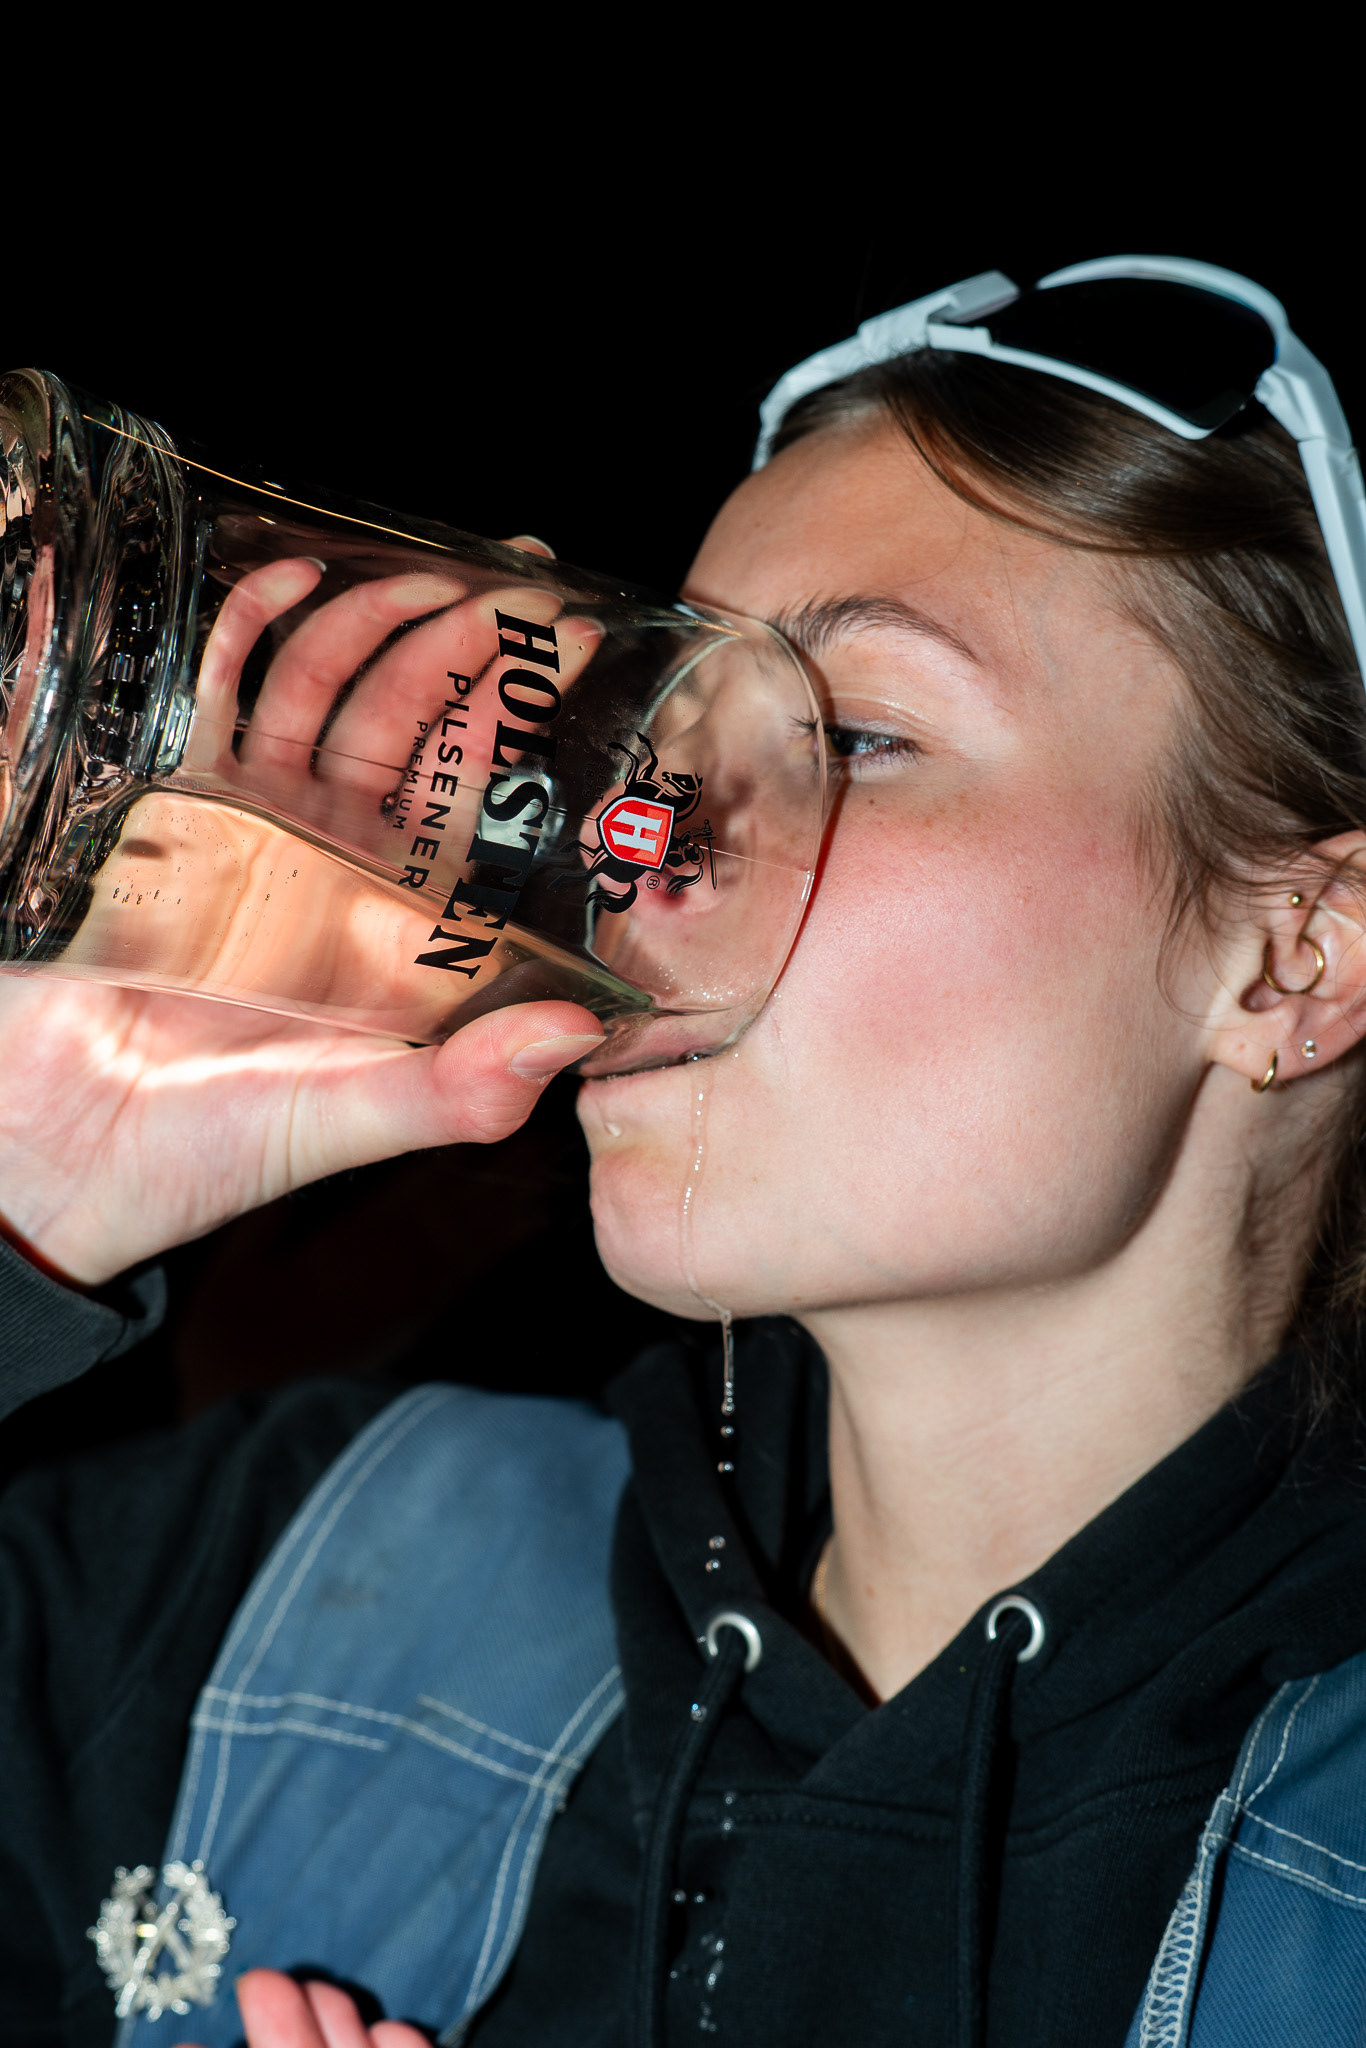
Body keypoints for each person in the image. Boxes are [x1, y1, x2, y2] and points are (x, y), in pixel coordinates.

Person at [6, 257, 1366, 2048]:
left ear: (1296, 958)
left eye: (856, 738)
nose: (628, 844)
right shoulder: (302, 1581)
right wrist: (29, 1202)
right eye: (675, 721)